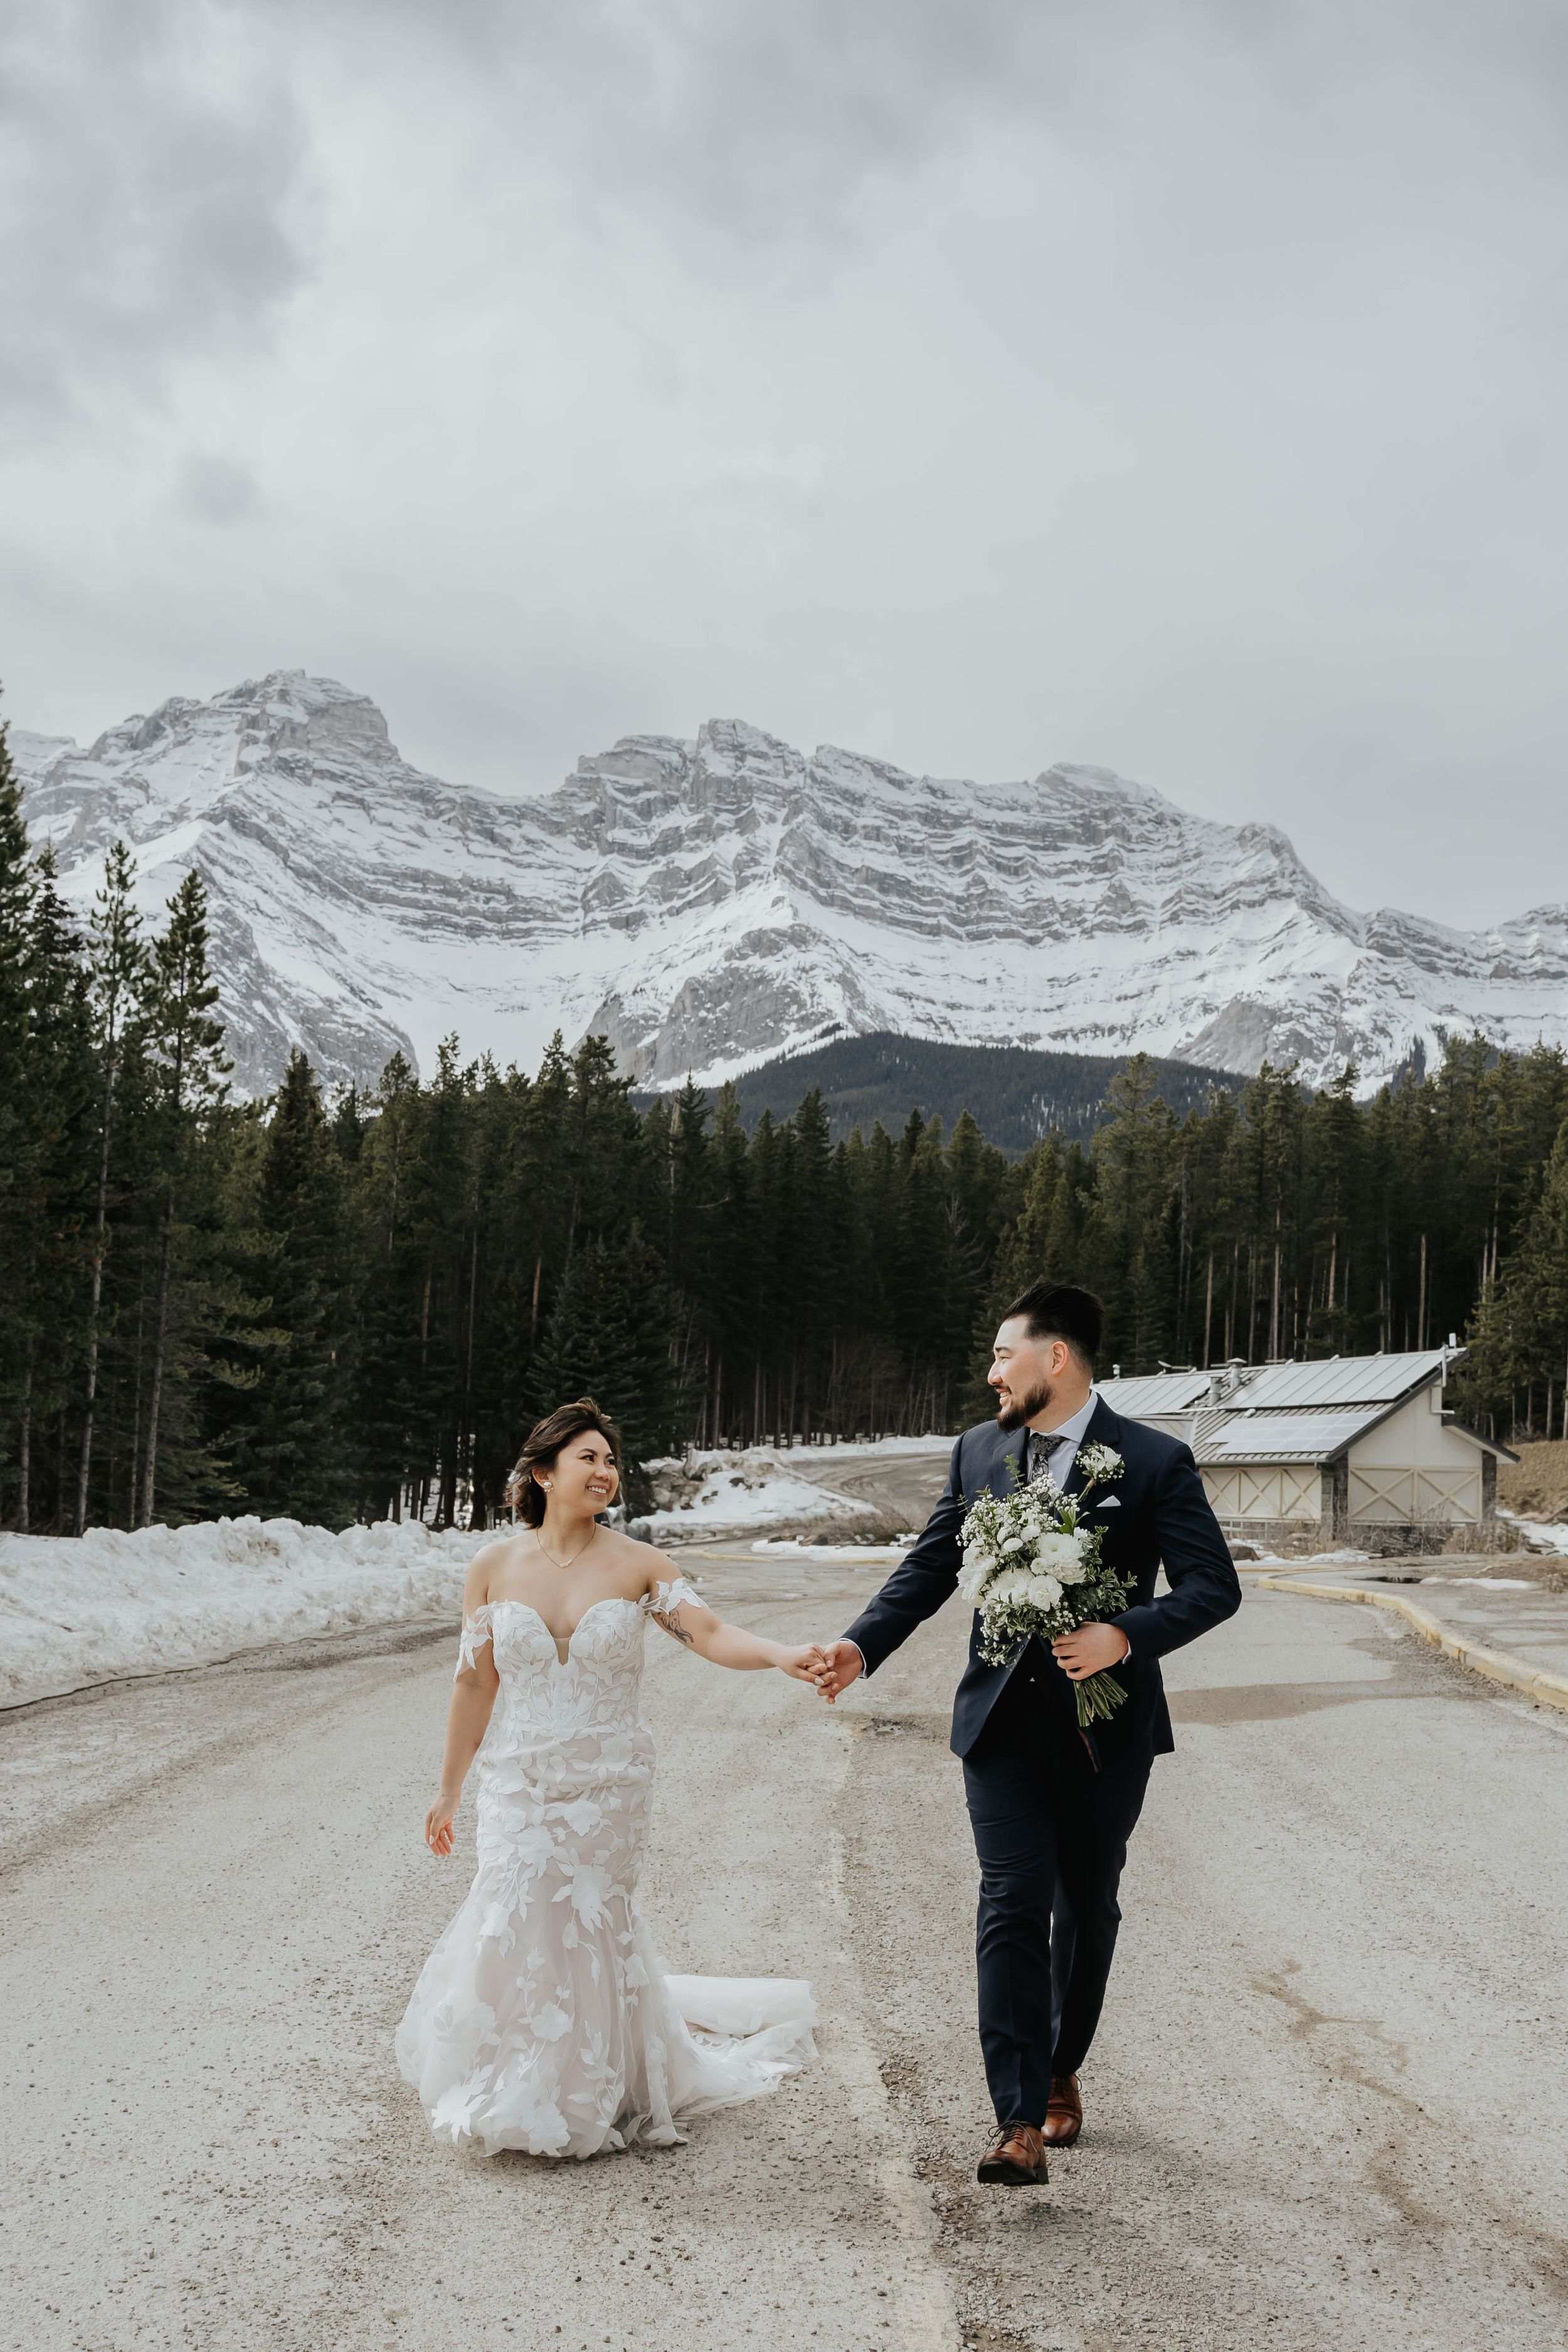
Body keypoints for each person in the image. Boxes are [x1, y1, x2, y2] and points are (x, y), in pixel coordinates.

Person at [809, 1281, 1241, 2187]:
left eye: (1005, 1353)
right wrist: (860, 1645)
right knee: (1010, 1898)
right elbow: (929, 1564)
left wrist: (1124, 1633)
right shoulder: (978, 1450)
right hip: (1000, 1723)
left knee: (1085, 1906)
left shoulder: (1156, 1460)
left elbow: (1213, 1587)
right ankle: (1015, 2122)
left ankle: (1058, 2062)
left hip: (1104, 1731)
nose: (991, 1371)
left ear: (1057, 1357)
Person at [396, 1396, 824, 2160]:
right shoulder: (493, 1566)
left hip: (608, 1780)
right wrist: (450, 1786)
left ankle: (593, 2086)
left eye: (610, 1459)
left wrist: (782, 1654)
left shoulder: (639, 1564)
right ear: (543, 1471)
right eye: (587, 1457)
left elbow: (713, 1633)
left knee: (588, 1921)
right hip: (519, 1779)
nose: (604, 1470)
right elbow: (474, 1684)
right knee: (515, 1910)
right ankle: (513, 2075)